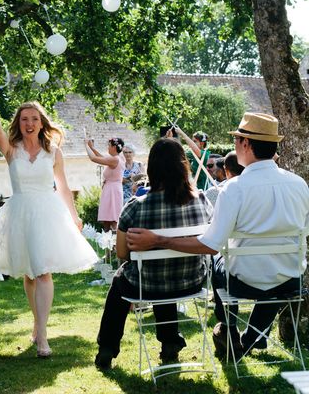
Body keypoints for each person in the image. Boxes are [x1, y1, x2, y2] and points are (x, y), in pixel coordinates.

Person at [126, 113, 309, 360]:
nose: (234, 145)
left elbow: (209, 245)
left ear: (246, 144)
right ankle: (249, 339)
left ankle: (228, 328)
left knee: (216, 261)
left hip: (245, 282)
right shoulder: (299, 184)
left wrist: (159, 240)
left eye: (236, 139)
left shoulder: (235, 188)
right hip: (291, 280)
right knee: (276, 277)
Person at [0, 83, 97, 358]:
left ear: (42, 123)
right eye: (24, 119)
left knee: (42, 271)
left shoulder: (53, 152)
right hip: (19, 213)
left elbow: (63, 187)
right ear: (19, 124)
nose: (29, 123)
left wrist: (74, 216)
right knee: (29, 275)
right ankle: (37, 322)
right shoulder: (11, 150)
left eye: (34, 119)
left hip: (47, 213)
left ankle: (42, 335)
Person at [94, 138, 213, 369]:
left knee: (124, 279)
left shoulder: (135, 206)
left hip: (147, 284)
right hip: (193, 281)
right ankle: (170, 342)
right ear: (183, 166)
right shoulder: (201, 200)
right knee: (161, 275)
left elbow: (122, 253)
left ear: (152, 169)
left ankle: (107, 348)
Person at [85, 137, 125, 232]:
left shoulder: (115, 160)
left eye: (109, 146)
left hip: (112, 191)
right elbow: (103, 158)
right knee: (107, 220)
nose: (108, 148)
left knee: (112, 219)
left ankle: (113, 242)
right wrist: (92, 148)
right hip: (111, 189)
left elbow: (93, 158)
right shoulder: (118, 158)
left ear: (114, 147)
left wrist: (86, 145)